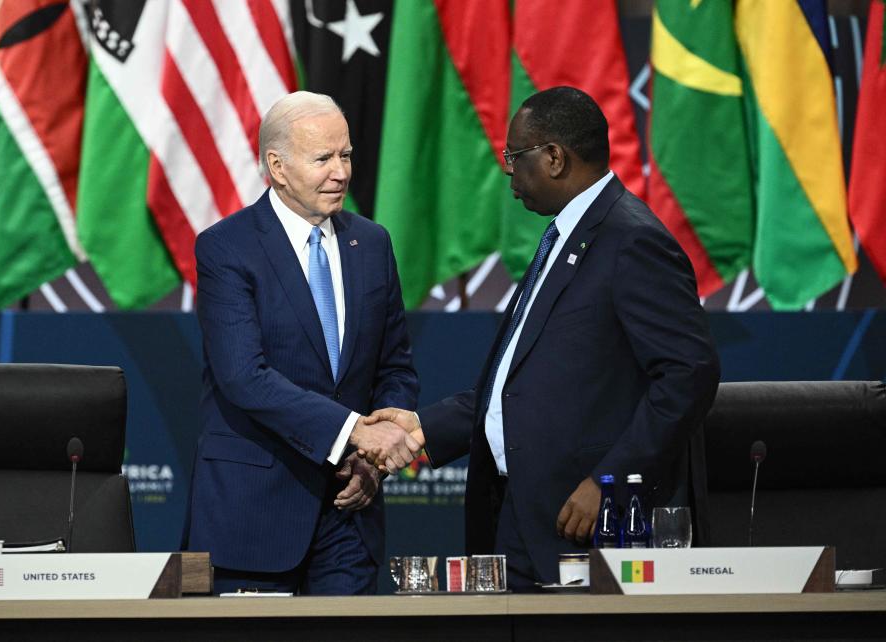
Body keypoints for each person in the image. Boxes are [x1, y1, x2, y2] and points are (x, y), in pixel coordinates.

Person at [365, 86, 720, 590]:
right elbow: (519, 384)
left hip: (588, 524)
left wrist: (609, 482)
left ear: (553, 157)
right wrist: (423, 426)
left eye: (514, 157)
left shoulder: (632, 239)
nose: (509, 175)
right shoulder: (565, 236)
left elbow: (690, 374)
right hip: (521, 517)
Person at [187, 91, 422, 595]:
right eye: (323, 158)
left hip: (350, 512)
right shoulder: (227, 248)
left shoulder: (372, 243)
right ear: (277, 165)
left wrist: (373, 457)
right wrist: (354, 433)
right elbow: (243, 377)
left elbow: (395, 367)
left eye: (347, 155)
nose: (340, 172)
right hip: (255, 514)